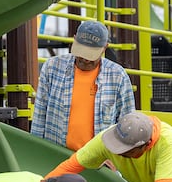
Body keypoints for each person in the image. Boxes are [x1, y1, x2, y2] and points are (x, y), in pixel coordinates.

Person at [30, 19, 135, 151]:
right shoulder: (52, 68)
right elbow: (39, 116)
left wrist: (118, 159)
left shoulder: (118, 76)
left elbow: (126, 124)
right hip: (57, 156)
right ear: (74, 40)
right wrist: (34, 152)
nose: (85, 59)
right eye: (81, 52)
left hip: (100, 160)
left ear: (105, 48)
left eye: (91, 54)